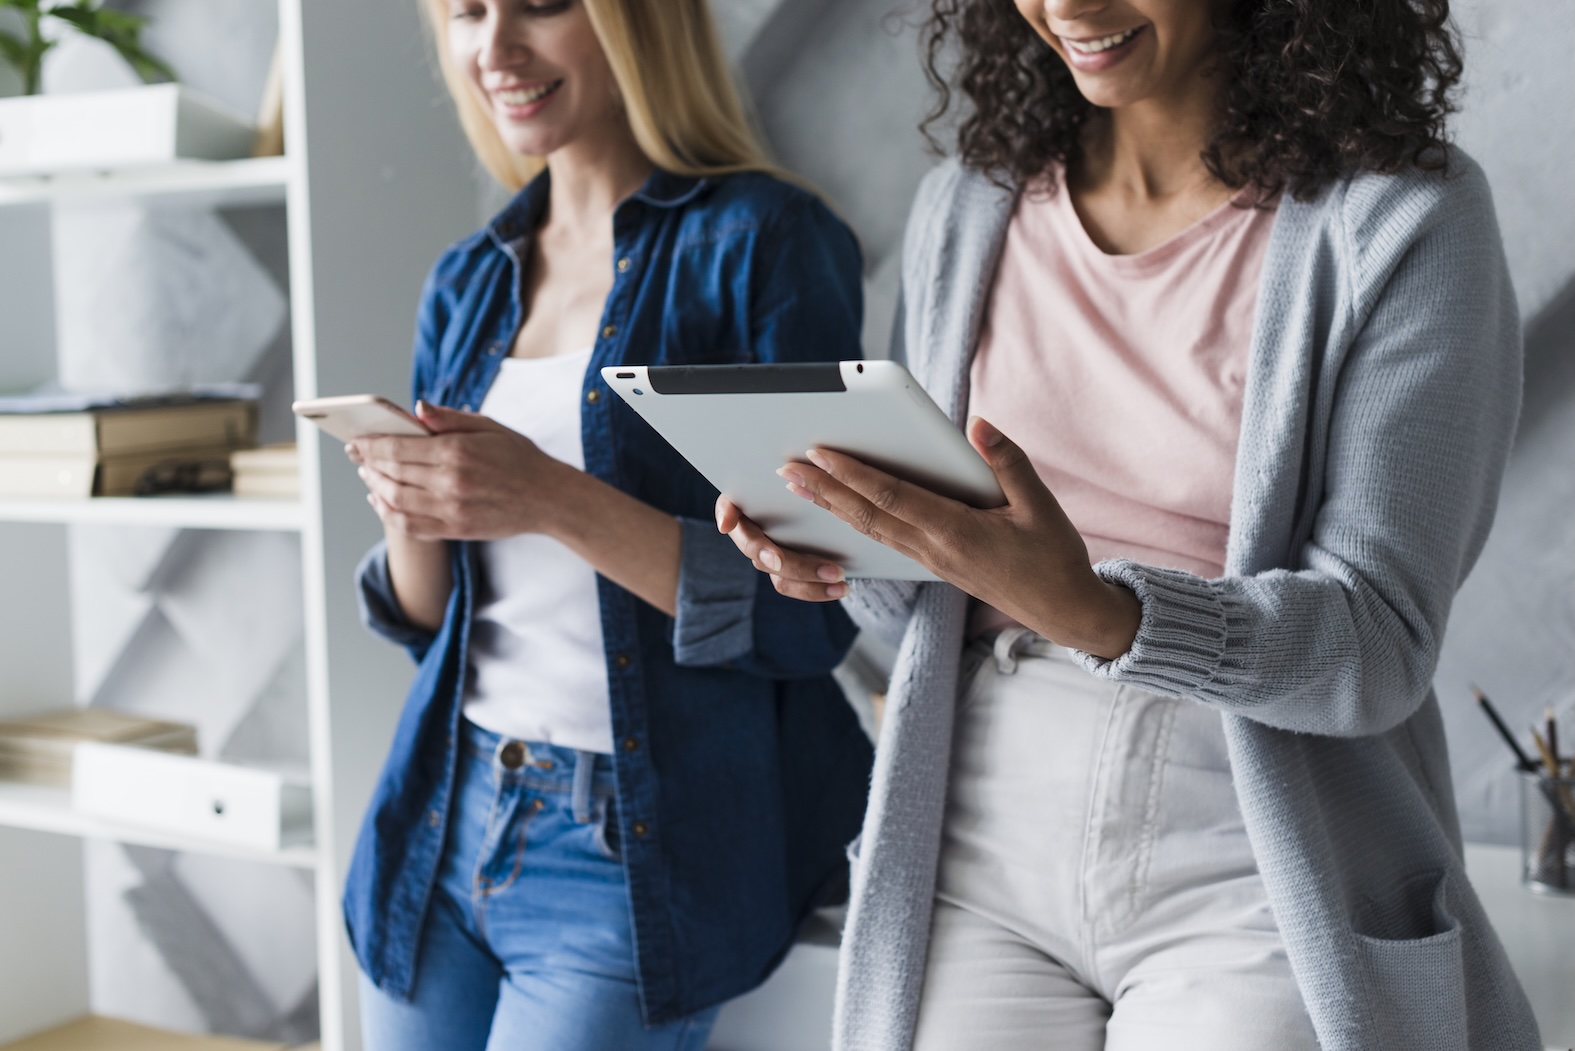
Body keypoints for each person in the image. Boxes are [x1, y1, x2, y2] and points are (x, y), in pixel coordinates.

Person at [720, 0, 1540, 1048]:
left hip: (1252, 848)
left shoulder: (1402, 217)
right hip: (981, 832)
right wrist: (846, 546)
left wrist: (1108, 615)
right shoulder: (968, 208)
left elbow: (1378, 642)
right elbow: (928, 610)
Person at [344, 1, 873, 1048]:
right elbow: (427, 624)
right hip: (445, 820)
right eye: (465, 13)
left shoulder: (765, 243)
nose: (495, 49)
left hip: (626, 856)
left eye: (538, 4)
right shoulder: (467, 278)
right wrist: (412, 501)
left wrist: (547, 496)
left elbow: (813, 612)